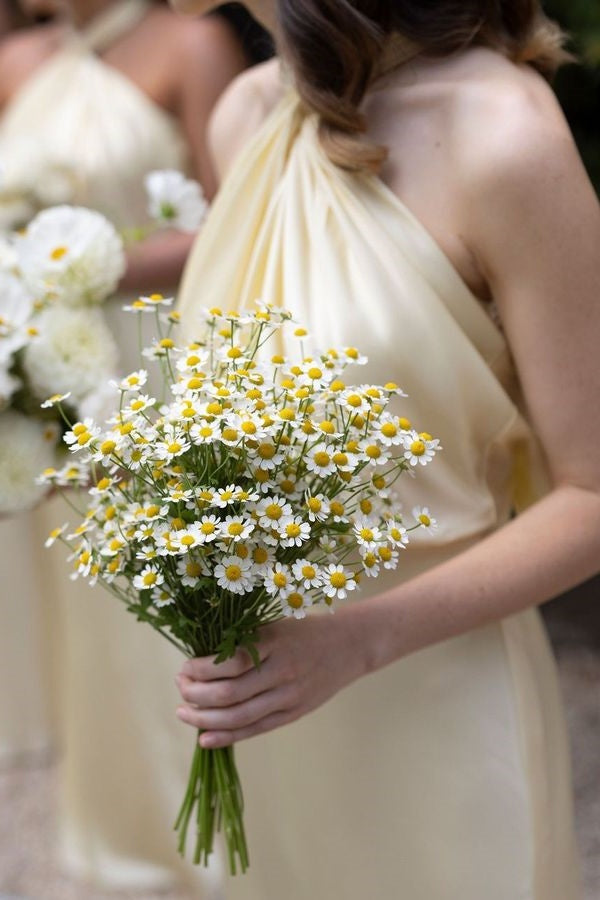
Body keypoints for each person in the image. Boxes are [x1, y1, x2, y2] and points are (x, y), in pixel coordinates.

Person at [172, 1, 600, 898]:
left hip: (433, 697)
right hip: (261, 709)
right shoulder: (244, 112)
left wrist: (355, 642)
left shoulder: (500, 133)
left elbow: (592, 493)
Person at [0, 0, 271, 892]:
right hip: (53, 370)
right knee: (88, 604)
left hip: (157, 362)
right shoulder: (23, 57)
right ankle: (123, 835)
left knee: (173, 606)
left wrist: (81, 265)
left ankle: (226, 840)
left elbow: (244, 216)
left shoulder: (195, 41)